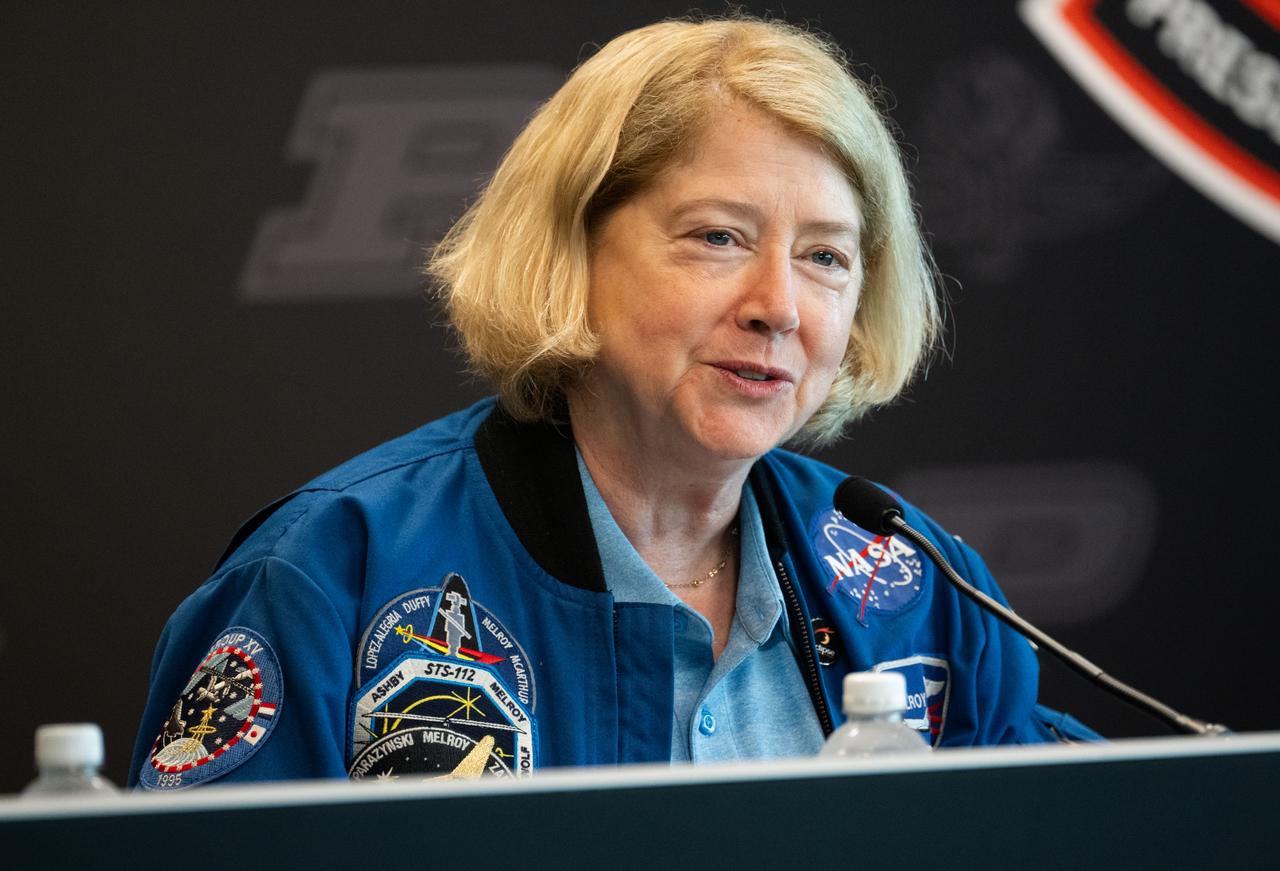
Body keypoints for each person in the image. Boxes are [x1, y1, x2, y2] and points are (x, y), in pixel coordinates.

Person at [130, 14, 1095, 790]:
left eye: (825, 257)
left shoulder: (923, 587)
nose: (780, 306)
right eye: (718, 237)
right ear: (573, 251)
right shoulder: (330, 570)